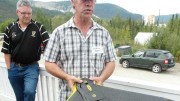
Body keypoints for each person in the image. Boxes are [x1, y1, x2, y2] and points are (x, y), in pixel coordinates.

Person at [44, 0, 116, 100]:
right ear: (73, 2)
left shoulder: (104, 33)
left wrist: (101, 78)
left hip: (96, 97)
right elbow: (49, 63)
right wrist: (67, 77)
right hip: (69, 96)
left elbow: (111, 62)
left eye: (92, 0)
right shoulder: (60, 32)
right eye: (84, 0)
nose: (88, 4)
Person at [1, 0, 49, 101]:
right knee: (19, 97)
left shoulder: (39, 27)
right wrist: (9, 69)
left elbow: (50, 46)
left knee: (29, 92)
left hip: (31, 67)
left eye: (29, 13)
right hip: (14, 68)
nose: (27, 16)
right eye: (23, 13)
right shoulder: (10, 28)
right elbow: (6, 50)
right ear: (17, 12)